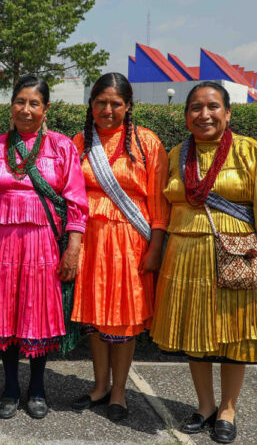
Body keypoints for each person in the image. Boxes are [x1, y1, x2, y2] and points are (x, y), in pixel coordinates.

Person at [150, 81, 257, 444]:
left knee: (234, 335)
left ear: (228, 113)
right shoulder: (179, 153)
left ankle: (228, 408)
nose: (204, 114)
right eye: (195, 107)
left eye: (213, 107)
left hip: (235, 255)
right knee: (194, 334)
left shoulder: (248, 151)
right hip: (184, 259)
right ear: (186, 116)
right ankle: (205, 405)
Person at [0, 75, 88, 419]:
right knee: (6, 314)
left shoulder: (62, 146)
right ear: (11, 106)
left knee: (37, 314)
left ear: (45, 108)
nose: (26, 109)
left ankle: (37, 387)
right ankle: (9, 387)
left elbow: (77, 204)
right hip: (1, 246)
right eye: (20, 102)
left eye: (33, 103)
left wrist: (74, 249)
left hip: (44, 247)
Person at [69, 73, 169, 421]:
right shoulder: (81, 140)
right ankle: (99, 385)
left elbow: (159, 202)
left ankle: (120, 391)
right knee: (96, 317)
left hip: (130, 243)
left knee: (123, 320)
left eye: (116, 104)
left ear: (128, 107)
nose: (108, 109)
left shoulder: (146, 143)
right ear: (91, 104)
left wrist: (155, 249)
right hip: (90, 242)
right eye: (101, 102)